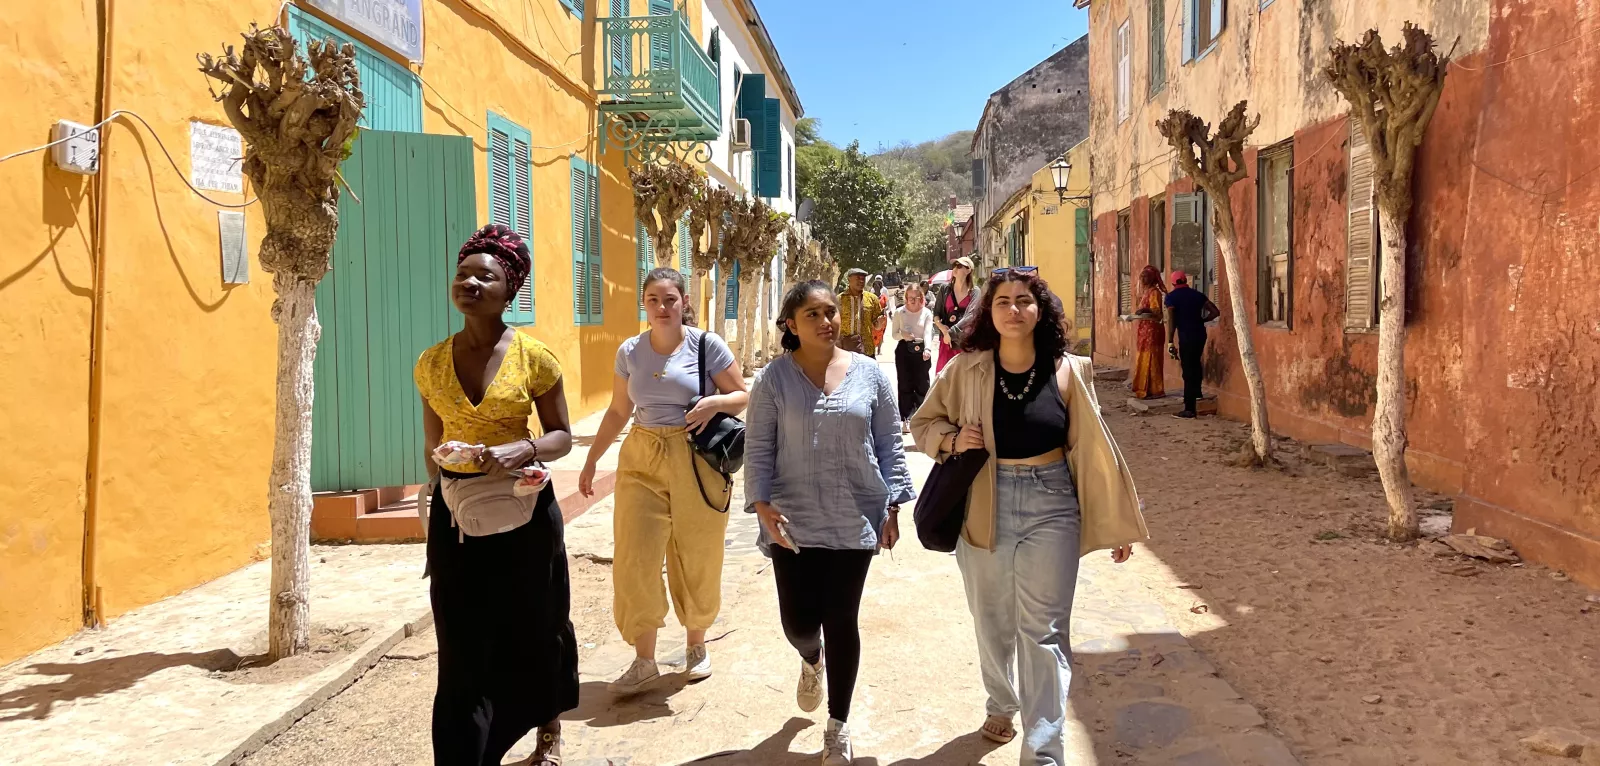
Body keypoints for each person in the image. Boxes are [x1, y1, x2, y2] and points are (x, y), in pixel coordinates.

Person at [909, 266, 1148, 766]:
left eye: (1024, 300)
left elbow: (1093, 451)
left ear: (1041, 310)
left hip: (1052, 502)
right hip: (983, 501)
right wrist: (952, 441)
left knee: (1044, 631)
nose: (1014, 309)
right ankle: (1001, 700)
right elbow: (923, 423)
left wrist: (1117, 520)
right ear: (988, 313)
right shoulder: (965, 370)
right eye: (1002, 302)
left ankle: (1042, 750)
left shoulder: (1069, 370)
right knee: (992, 621)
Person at [414, 224, 577, 766]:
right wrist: (438, 481)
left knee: (534, 625)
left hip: (525, 509)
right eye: (463, 274)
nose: (470, 283)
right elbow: (433, 440)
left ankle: (547, 731)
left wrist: (523, 450)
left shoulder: (535, 357)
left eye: (486, 276)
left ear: (510, 291)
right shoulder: (431, 363)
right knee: (460, 641)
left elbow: (561, 435)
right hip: (457, 516)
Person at [744, 280, 916, 765]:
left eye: (831, 312)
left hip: (854, 513)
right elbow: (757, 448)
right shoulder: (774, 380)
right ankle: (810, 657)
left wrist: (893, 506)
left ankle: (837, 727)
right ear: (791, 325)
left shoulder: (869, 375)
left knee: (842, 619)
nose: (826, 322)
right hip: (790, 519)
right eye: (813, 314)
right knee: (798, 621)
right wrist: (760, 505)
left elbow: (888, 442)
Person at [578, 268, 750, 695]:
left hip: (695, 458)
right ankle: (644, 659)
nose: (662, 308)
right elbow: (619, 410)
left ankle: (696, 645)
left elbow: (743, 395)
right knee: (635, 553)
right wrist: (591, 460)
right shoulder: (630, 352)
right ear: (644, 303)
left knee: (697, 552)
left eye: (670, 299)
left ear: (683, 301)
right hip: (642, 455)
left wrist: (714, 402)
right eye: (653, 299)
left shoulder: (706, 345)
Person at [1164, 270, 1220, 418]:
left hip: (1186, 336)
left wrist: (1170, 340)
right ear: (1185, 280)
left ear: (1173, 283)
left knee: (1188, 370)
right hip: (1200, 334)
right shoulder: (1197, 295)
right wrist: (1202, 320)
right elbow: (1215, 312)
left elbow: (1171, 320)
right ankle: (1197, 394)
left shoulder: (1171, 298)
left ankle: (1189, 409)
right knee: (1196, 363)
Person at [891, 282, 937, 432]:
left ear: (921, 298)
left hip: (922, 349)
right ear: (905, 298)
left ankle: (922, 418)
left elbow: (928, 332)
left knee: (922, 384)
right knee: (905, 384)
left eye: (916, 298)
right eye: (910, 298)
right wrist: (902, 335)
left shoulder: (926, 313)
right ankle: (905, 418)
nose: (913, 301)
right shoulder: (899, 312)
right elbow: (894, 334)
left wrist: (928, 349)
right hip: (904, 349)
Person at [933, 257, 978, 373]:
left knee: (963, 379)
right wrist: (942, 328)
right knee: (944, 378)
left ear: (968, 270)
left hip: (965, 342)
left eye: (959, 266)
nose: (955, 268)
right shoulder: (945, 289)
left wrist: (952, 331)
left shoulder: (974, 292)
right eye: (955, 265)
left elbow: (971, 315)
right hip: (947, 341)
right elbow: (936, 313)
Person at [1130, 265, 1168, 400]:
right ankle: (1142, 387)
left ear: (1151, 278)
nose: (1142, 279)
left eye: (1145, 276)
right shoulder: (1145, 292)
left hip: (1153, 330)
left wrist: (1144, 310)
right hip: (1144, 330)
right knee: (1143, 357)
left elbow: (1157, 312)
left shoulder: (1154, 292)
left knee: (1152, 358)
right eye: (1142, 276)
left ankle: (1154, 390)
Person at [838, 268, 886, 357]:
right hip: (845, 351)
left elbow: (877, 325)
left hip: (867, 350)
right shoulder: (839, 300)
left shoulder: (872, 299)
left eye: (863, 279)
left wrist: (879, 324)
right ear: (849, 279)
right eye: (858, 278)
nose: (861, 281)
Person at [871, 275, 891, 355]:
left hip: (883, 318)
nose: (876, 287)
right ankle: (873, 348)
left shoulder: (884, 294)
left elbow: (887, 304)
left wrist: (886, 310)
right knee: (873, 333)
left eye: (878, 285)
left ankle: (879, 349)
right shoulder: (871, 295)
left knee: (881, 333)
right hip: (874, 317)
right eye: (875, 285)